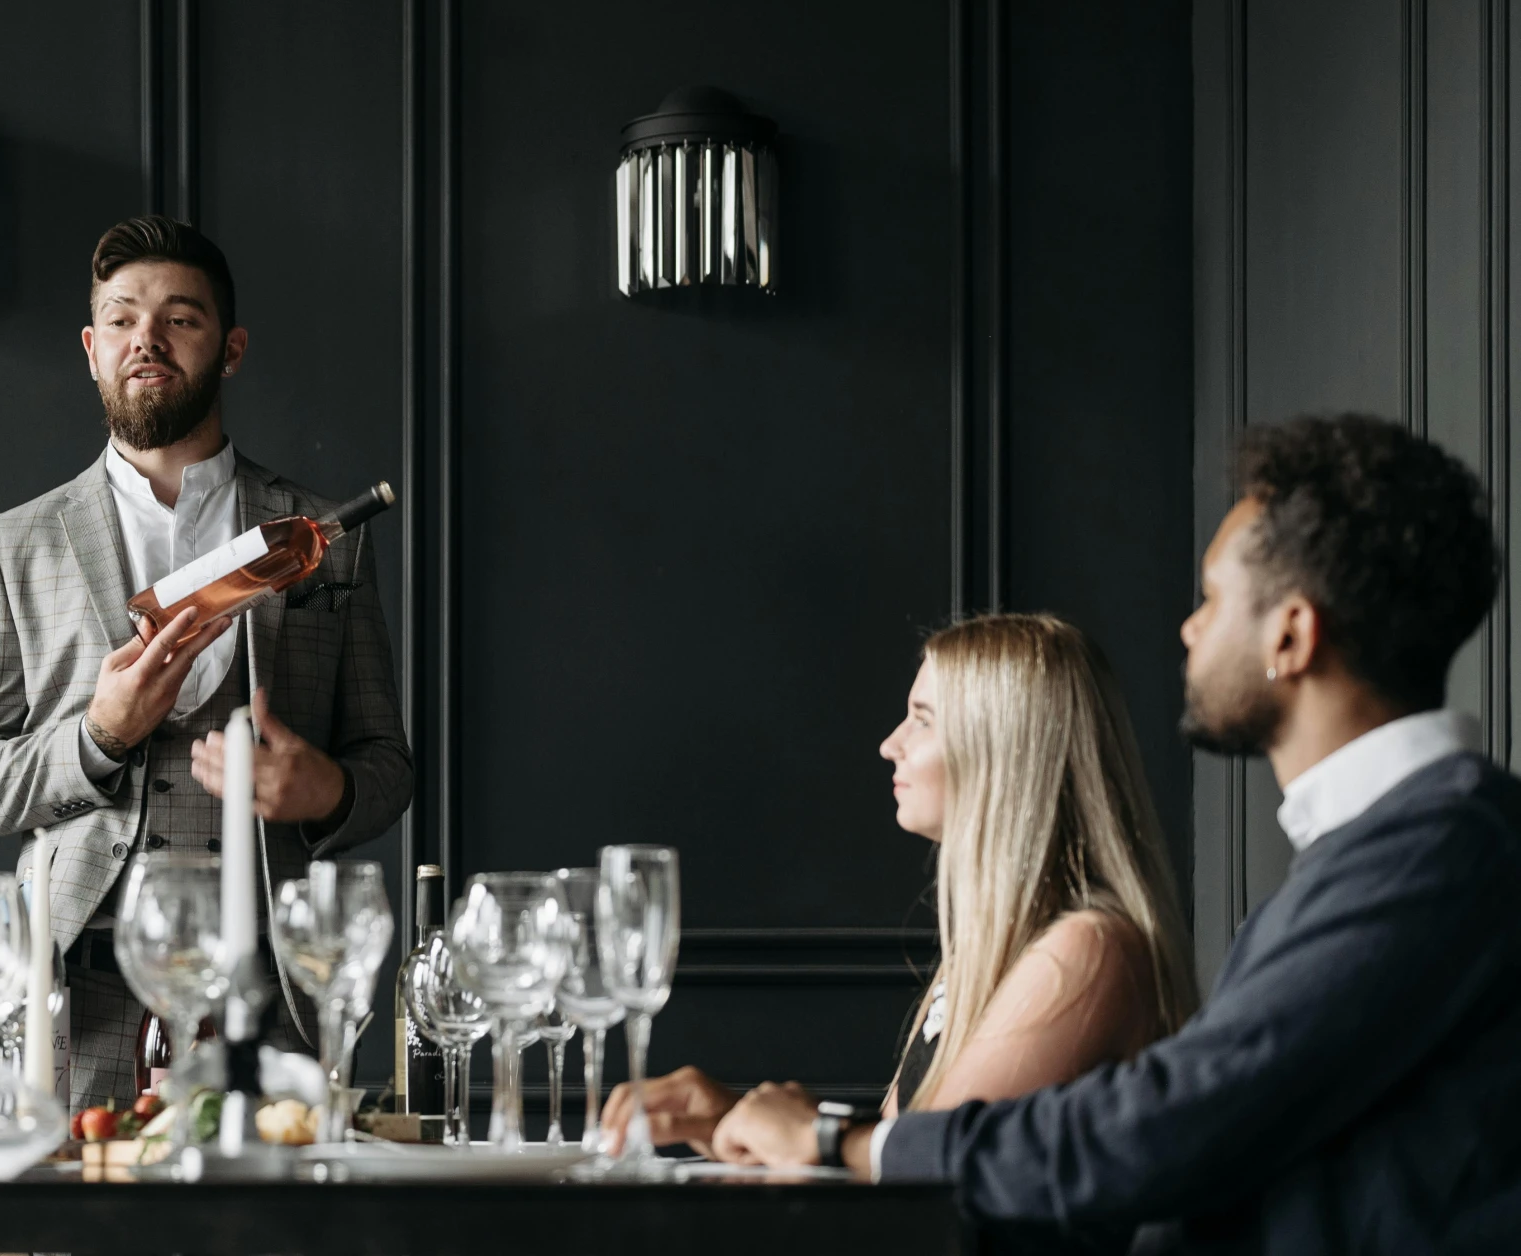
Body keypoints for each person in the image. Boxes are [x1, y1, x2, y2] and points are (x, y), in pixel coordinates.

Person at [721, 414, 1521, 1254]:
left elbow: (1176, 1120)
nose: (1189, 629)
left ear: (1289, 634)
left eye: (1211, 600)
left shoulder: (1443, 847)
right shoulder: (1403, 845)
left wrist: (837, 1144)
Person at [0, 215, 413, 1107]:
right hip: (78, 993)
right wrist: (96, 737)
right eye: (120, 319)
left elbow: (388, 766)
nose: (144, 339)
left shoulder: (321, 537)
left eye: (178, 319)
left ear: (228, 350)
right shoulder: (13, 543)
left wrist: (325, 795)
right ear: (90, 348)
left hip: (269, 991)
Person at [606, 612, 1195, 1156]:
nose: (891, 745)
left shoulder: (1087, 949)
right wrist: (735, 1121)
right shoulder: (996, 950)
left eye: (922, 719)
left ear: (1000, 750)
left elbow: (924, 1179)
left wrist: (808, 1135)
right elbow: (891, 1154)